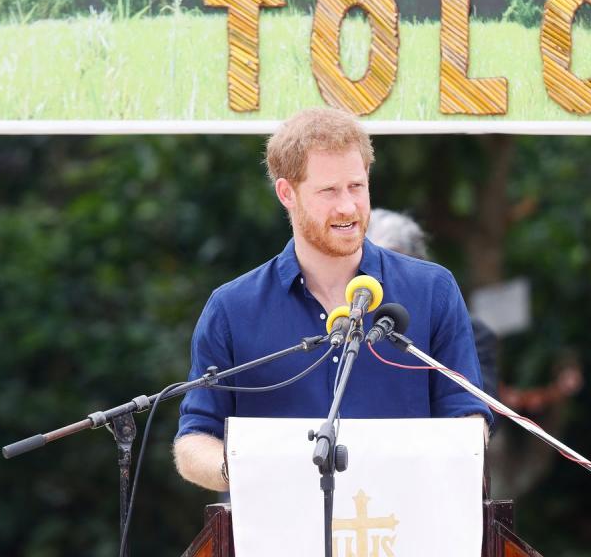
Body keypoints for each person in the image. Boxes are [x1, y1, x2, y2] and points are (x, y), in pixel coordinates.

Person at [173, 108, 491, 491]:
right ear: (287, 193)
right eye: (328, 191)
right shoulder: (231, 309)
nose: (347, 207)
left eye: (356, 187)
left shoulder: (433, 290)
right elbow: (194, 441)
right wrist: (249, 471)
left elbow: (468, 421)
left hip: (404, 525)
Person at [366, 208, 498, 399]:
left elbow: (476, 408)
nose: (376, 277)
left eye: (389, 263)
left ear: (417, 265)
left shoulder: (469, 332)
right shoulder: (350, 329)